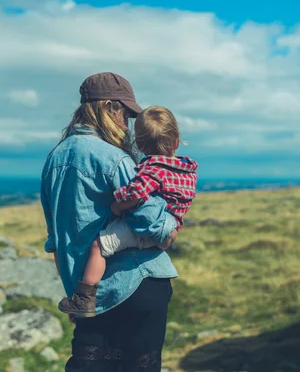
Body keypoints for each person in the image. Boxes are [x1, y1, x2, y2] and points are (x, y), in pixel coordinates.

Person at [41, 72, 179, 371]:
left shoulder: (53, 159)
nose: (126, 124)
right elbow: (153, 225)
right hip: (136, 282)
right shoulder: (115, 158)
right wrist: (170, 229)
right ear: (108, 107)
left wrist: (76, 294)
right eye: (125, 114)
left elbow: (57, 239)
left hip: (88, 293)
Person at [58, 106, 198, 317]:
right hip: (172, 224)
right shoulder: (187, 170)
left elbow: (137, 194)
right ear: (176, 141)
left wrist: (118, 204)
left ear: (139, 144)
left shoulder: (153, 168)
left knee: (99, 246)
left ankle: (84, 298)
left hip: (153, 229)